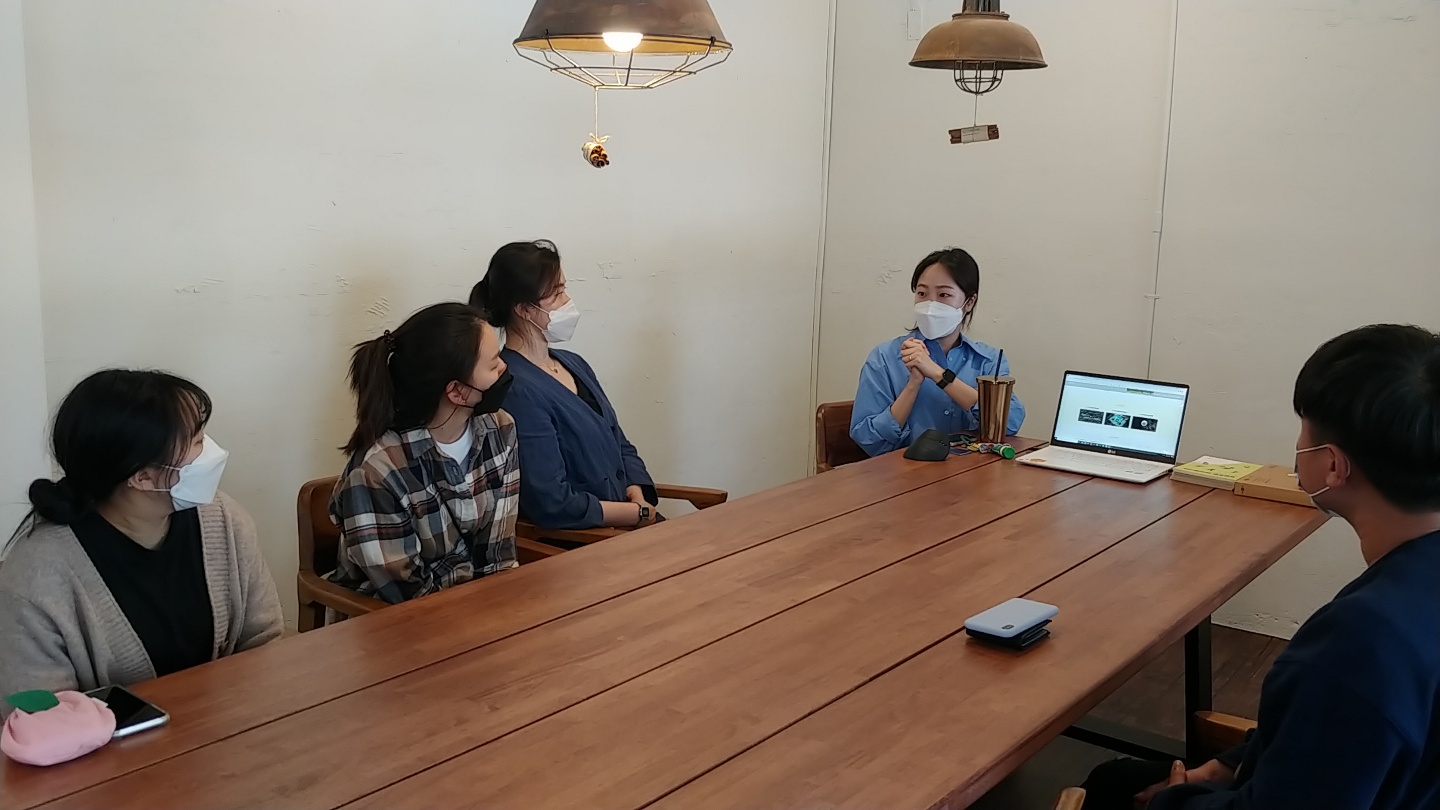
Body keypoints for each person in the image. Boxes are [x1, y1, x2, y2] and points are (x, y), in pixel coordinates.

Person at [1080, 323, 1440, 810]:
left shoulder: (1359, 642)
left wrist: (1172, 802)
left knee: (1110, 790)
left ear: (1333, 465)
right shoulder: (1400, 602)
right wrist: (1229, 764)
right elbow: (1327, 739)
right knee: (1113, 779)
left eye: (1304, 427)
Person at [0, 370, 283, 703]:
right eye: (197, 442)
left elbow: (265, 641)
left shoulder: (223, 519)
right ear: (143, 477)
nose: (211, 450)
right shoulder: (35, 577)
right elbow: (37, 711)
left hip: (229, 723)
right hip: (114, 739)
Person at [330, 302, 519, 604]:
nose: (504, 369)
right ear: (457, 391)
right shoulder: (377, 471)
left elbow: (498, 557)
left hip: (475, 609)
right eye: (494, 363)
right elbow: (406, 595)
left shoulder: (499, 428)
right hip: (391, 620)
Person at [469, 240, 659, 531]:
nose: (567, 300)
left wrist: (637, 492)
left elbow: (619, 442)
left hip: (629, 521)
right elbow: (551, 501)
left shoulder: (574, 363)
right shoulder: (516, 389)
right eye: (557, 293)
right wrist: (634, 514)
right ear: (524, 310)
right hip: (587, 539)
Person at [850, 247, 1024, 456]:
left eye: (944, 295)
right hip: (906, 472)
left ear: (969, 302)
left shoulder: (989, 361)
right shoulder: (885, 358)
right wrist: (913, 385)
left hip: (973, 472)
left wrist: (938, 374)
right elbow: (868, 440)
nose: (930, 305)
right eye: (922, 294)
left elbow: (1010, 423)